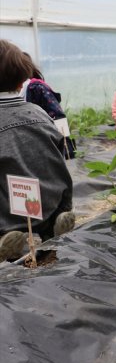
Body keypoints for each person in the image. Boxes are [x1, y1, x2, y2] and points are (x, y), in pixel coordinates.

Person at [0, 39, 75, 262]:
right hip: (52, 202)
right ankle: (52, 225)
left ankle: (8, 233)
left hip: (10, 213)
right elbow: (60, 155)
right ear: (20, 81)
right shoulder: (38, 112)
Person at [20, 52, 75, 159]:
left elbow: (58, 115)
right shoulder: (11, 92)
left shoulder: (37, 88)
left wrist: (65, 143)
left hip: (47, 140)